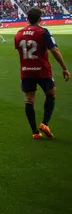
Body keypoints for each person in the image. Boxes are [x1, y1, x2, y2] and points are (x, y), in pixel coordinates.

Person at [14, 8, 70, 139]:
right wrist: (64, 68)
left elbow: (19, 51)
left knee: (29, 100)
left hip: (26, 72)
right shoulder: (43, 32)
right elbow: (54, 50)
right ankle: (45, 123)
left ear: (27, 18)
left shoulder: (18, 34)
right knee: (51, 93)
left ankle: (35, 132)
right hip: (43, 70)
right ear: (40, 19)